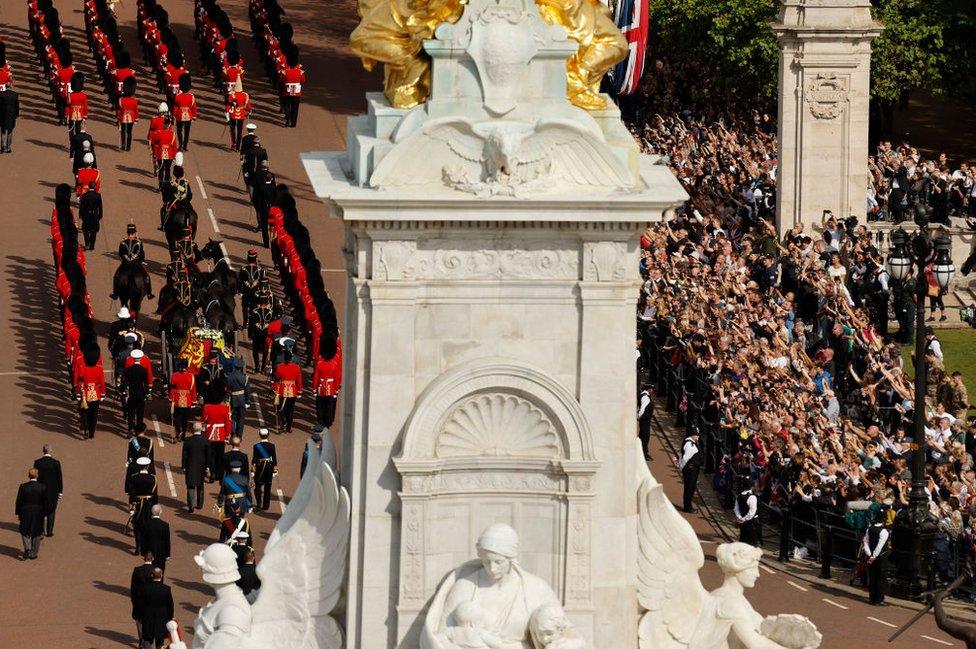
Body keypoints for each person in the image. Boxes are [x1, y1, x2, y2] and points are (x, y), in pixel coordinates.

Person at [138, 568, 174, 649]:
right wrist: (170, 617)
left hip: (148, 617)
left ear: (152, 576)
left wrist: (140, 617)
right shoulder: (166, 589)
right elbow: (170, 605)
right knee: (160, 642)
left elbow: (141, 604)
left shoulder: (145, 588)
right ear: (162, 575)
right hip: (162, 618)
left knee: (147, 640)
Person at [129, 456, 158, 555]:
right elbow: (155, 495)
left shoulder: (133, 477)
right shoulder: (153, 478)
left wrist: (132, 506)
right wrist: (155, 507)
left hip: (137, 505)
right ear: (148, 466)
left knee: (137, 527)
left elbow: (131, 494)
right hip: (149, 505)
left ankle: (138, 548)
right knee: (149, 526)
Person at [16, 468, 47, 560]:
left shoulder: (23, 486)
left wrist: (18, 512)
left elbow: (19, 501)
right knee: (36, 532)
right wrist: (44, 513)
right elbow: (45, 502)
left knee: (24, 530)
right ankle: (33, 553)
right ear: (37, 475)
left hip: (25, 511)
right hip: (38, 512)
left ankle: (27, 548)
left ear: (28, 475)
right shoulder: (42, 487)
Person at [75, 345, 106, 438]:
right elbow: (102, 383)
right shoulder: (99, 368)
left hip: (85, 392)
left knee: (85, 413)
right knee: (94, 414)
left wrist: (78, 393)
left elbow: (80, 382)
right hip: (96, 393)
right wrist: (103, 393)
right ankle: (92, 432)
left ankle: (86, 429)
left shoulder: (83, 368)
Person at [33, 445, 62, 537]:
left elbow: (35, 477)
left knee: (40, 510)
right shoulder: (56, 463)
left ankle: (41, 531)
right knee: (52, 510)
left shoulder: (37, 462)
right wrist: (60, 491)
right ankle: (49, 532)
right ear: (51, 451)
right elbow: (59, 478)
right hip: (53, 491)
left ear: (43, 451)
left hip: (40, 490)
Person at [863, 507, 890, 606]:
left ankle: (872, 598)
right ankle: (879, 599)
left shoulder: (869, 529)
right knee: (881, 578)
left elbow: (865, 542)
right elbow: (880, 545)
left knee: (872, 576)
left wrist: (869, 554)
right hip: (881, 558)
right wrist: (874, 556)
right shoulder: (884, 532)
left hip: (870, 556)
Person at [182, 422, 211, 512]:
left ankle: (191, 505)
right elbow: (208, 455)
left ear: (192, 430)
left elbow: (184, 455)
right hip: (201, 466)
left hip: (190, 465)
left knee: (190, 486)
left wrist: (184, 466)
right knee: (200, 485)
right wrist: (208, 466)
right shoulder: (205, 440)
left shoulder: (188, 440)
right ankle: (199, 504)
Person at [273, 350, 303, 433]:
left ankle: (282, 424)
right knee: (290, 410)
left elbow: (277, 379)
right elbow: (299, 380)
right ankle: (289, 427)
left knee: (280, 409)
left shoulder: (280, 367)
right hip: (292, 391)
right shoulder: (296, 367)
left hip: (282, 390)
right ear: (291, 359)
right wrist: (300, 390)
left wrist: (275, 388)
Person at [312, 344, 341, 429]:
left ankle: (320, 422)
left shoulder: (319, 364)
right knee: (329, 407)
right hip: (331, 388)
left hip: (321, 388)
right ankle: (327, 424)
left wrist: (314, 389)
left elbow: (316, 378)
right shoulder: (334, 364)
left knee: (320, 406)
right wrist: (336, 390)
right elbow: (337, 378)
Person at [122, 349, 151, 434]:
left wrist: (123, 389)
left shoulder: (128, 370)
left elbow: (125, 382)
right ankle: (138, 430)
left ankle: (130, 430)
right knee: (140, 413)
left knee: (131, 413)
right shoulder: (143, 370)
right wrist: (146, 393)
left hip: (131, 393)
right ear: (141, 358)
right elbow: (146, 384)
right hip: (140, 394)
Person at [203, 396, 232, 481]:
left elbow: (204, 419)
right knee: (220, 455)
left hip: (210, 433)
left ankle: (213, 474)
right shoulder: (225, 408)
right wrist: (227, 434)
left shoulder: (207, 407)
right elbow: (228, 422)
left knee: (211, 455)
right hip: (221, 434)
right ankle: (219, 475)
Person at [130, 551, 155, 641]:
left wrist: (133, 600)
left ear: (143, 558)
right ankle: (148, 638)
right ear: (153, 559)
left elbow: (133, 587)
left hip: (139, 600)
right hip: (151, 601)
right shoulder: (156, 570)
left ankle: (141, 638)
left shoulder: (137, 570)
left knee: (139, 620)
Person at [251, 428, 277, 511]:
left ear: (259, 435)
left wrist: (252, 470)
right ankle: (266, 506)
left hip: (260, 467)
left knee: (258, 486)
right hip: (269, 467)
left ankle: (259, 503)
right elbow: (274, 459)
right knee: (267, 487)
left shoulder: (256, 446)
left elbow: (254, 458)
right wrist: (275, 470)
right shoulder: (272, 446)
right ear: (268, 435)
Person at [225, 357, 251, 439]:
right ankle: (239, 436)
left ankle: (233, 434)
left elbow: (227, 389)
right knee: (241, 419)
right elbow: (247, 391)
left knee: (232, 417)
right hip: (242, 399)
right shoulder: (245, 377)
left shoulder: (229, 376)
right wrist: (248, 401)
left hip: (232, 399)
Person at [677, 428, 701, 513]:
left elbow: (681, 454)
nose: (698, 436)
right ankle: (688, 507)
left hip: (691, 469)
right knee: (689, 488)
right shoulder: (690, 444)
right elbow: (685, 458)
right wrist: (681, 467)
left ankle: (688, 505)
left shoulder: (689, 442)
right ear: (692, 434)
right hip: (691, 470)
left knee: (690, 487)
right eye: (697, 434)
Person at [280, 48, 305, 127]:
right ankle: (293, 123)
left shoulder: (285, 71)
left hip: (287, 91)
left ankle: (288, 118)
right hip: (296, 92)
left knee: (286, 105)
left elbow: (282, 80)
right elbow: (303, 80)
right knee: (295, 108)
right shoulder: (300, 71)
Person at [142, 504, 171, 573]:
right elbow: (167, 541)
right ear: (160, 512)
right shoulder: (165, 525)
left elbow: (144, 540)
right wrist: (168, 554)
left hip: (150, 552)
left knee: (150, 572)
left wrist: (143, 553)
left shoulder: (147, 524)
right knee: (160, 571)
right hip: (162, 553)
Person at [172, 73, 197, 151]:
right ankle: (185, 146)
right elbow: (193, 107)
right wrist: (194, 116)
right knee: (187, 132)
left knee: (179, 131)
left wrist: (174, 115)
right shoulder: (191, 96)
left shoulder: (177, 96)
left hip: (179, 115)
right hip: (189, 115)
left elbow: (175, 107)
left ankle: (181, 145)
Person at [225, 81, 252, 150]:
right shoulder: (245, 95)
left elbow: (228, 103)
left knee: (232, 130)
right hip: (241, 115)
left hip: (233, 114)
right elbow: (248, 105)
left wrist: (227, 111)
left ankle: (233, 144)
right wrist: (249, 111)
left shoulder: (232, 95)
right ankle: (238, 147)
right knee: (240, 131)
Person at [117, 75, 139, 151]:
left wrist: (118, 117)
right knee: (129, 132)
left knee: (123, 131)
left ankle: (123, 145)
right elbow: (136, 110)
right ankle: (128, 147)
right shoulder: (134, 100)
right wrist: (136, 119)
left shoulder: (121, 99)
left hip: (123, 117)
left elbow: (119, 110)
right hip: (131, 117)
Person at [78, 183, 103, 250]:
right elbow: (100, 206)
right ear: (95, 187)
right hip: (94, 215)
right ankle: (92, 245)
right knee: (94, 231)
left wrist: (80, 214)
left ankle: (87, 243)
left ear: (88, 187)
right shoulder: (98, 195)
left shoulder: (85, 195)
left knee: (85, 230)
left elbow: (82, 206)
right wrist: (100, 215)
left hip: (86, 215)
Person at [0, 80, 19, 153]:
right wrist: (17, 114)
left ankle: (2, 147)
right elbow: (17, 106)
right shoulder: (15, 94)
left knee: (3, 131)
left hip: (2, 115)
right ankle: (8, 147)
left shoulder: (1, 94)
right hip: (11, 115)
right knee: (10, 131)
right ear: (10, 86)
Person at [637, 384, 653, 461]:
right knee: (645, 437)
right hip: (645, 420)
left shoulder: (642, 395)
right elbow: (642, 408)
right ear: (649, 389)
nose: (652, 390)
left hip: (644, 420)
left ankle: (641, 452)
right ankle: (644, 454)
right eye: (651, 389)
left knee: (643, 436)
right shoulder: (646, 397)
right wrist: (639, 416)